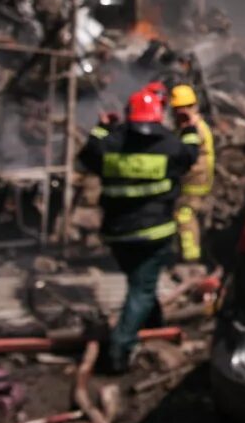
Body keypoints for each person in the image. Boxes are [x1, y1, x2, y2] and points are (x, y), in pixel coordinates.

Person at [77, 85, 198, 372]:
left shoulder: (110, 145)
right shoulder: (169, 145)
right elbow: (190, 155)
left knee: (141, 283)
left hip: (117, 233)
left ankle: (153, 325)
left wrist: (102, 128)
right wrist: (189, 127)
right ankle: (120, 349)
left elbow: (88, 154)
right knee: (142, 289)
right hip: (154, 234)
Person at [169, 84, 214, 264]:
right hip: (191, 180)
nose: (178, 114)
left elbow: (184, 153)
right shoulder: (189, 126)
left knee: (185, 216)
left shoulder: (195, 128)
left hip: (194, 181)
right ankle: (183, 252)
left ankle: (190, 257)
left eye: (182, 109)